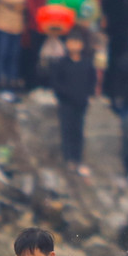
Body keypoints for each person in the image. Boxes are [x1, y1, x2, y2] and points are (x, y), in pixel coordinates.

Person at [51, 29, 97, 176]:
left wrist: (89, 95)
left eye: (77, 42)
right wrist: (64, 95)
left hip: (81, 102)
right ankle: (68, 159)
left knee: (78, 130)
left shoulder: (87, 62)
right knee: (67, 130)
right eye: (71, 42)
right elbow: (56, 83)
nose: (74, 45)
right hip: (66, 102)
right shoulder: (62, 63)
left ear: (81, 45)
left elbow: (92, 80)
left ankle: (78, 158)